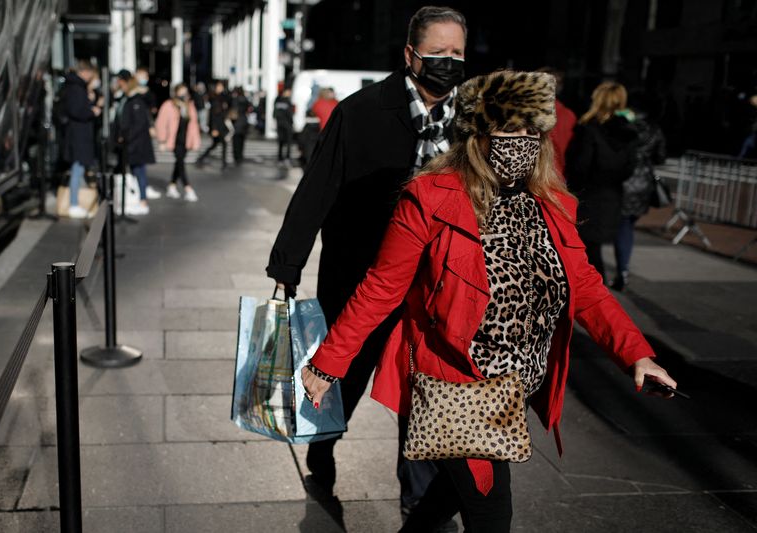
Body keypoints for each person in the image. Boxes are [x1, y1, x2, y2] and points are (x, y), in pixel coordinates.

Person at [300, 70, 678, 533]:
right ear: (477, 135)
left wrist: (636, 353)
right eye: (507, 129)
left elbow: (586, 286)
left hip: (516, 384)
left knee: (448, 494)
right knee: (490, 514)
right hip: (455, 379)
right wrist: (328, 363)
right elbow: (382, 286)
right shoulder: (429, 196)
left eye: (530, 131)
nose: (520, 141)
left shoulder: (552, 204)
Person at [267, 5, 467, 527]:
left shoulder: (471, 123)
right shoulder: (360, 112)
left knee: (422, 391)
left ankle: (418, 499)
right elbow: (317, 188)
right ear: (410, 55)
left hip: (434, 290)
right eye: (438, 52)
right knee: (342, 377)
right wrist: (288, 263)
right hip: (359, 275)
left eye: (457, 53)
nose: (449, 62)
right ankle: (323, 448)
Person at [566, 82, 638, 284]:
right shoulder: (629, 133)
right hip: (612, 195)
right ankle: (599, 288)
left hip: (588, 195)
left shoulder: (589, 129)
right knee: (593, 247)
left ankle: (597, 291)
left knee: (587, 249)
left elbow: (580, 165)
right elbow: (630, 167)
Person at [613, 92, 667, 290]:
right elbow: (660, 157)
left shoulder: (623, 126)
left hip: (624, 180)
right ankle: (623, 268)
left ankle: (621, 270)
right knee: (627, 226)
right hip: (643, 182)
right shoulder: (654, 129)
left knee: (621, 227)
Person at [61, 61, 101, 219]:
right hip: (78, 135)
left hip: (79, 135)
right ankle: (73, 203)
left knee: (79, 168)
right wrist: (92, 111)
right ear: (85, 72)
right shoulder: (76, 88)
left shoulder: (76, 87)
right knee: (77, 169)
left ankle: (76, 202)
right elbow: (78, 111)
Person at [156, 83, 202, 202]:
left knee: (179, 163)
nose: (183, 94)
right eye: (181, 92)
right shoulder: (168, 105)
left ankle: (172, 186)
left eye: (185, 92)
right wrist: (162, 140)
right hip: (174, 139)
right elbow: (161, 123)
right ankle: (188, 188)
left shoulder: (189, 106)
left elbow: (194, 125)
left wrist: (196, 141)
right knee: (180, 162)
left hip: (185, 139)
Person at [117, 77, 156, 215]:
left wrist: (126, 137)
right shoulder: (129, 101)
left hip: (137, 144)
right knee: (135, 172)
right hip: (134, 144)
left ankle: (142, 200)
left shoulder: (136, 102)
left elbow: (138, 125)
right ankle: (139, 199)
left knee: (139, 172)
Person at [195, 80, 231, 169]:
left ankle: (222, 161)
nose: (220, 88)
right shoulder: (214, 98)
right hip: (216, 125)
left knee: (219, 144)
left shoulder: (223, 97)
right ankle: (223, 162)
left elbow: (226, 107)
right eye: (218, 86)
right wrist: (214, 128)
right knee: (219, 143)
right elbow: (213, 115)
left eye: (221, 87)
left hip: (222, 124)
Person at [274, 87, 294, 164]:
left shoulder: (277, 100)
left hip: (279, 123)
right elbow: (290, 114)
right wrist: (292, 123)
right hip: (287, 124)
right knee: (288, 141)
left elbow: (275, 113)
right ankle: (287, 157)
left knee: (281, 141)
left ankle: (280, 157)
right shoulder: (288, 101)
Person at [231, 87, 251, 165]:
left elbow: (233, 110)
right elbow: (249, 109)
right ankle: (240, 156)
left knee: (236, 141)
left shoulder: (235, 100)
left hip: (236, 122)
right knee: (242, 141)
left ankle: (236, 156)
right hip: (244, 121)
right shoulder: (245, 99)